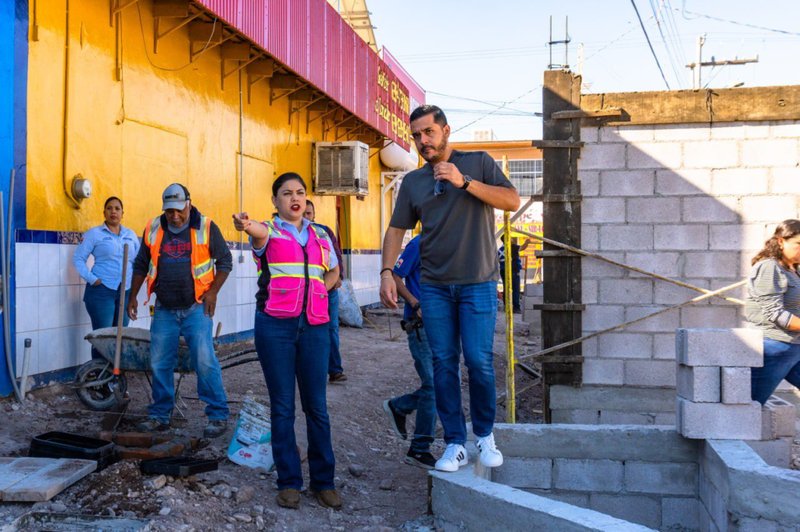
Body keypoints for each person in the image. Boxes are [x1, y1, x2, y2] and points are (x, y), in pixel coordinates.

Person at [379, 105, 520, 472]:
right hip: (435, 288)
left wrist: (465, 182)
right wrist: (386, 272)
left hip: (478, 283)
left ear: (445, 130)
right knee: (443, 364)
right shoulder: (414, 182)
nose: (423, 140)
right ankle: (455, 443)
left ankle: (484, 435)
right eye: (416, 135)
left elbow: (511, 200)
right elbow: (396, 229)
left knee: (478, 361)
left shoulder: (478, 162)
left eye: (429, 132)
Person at [232, 172, 342, 511]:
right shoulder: (269, 231)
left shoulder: (321, 234)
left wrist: (321, 289)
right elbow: (254, 231)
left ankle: (323, 482)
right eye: (286, 193)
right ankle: (289, 482)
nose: (294, 198)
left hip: (315, 327)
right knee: (282, 407)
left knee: (317, 407)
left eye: (299, 192)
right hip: (275, 328)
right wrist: (244, 224)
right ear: (275, 201)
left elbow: (334, 271)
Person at [127, 183, 231, 439]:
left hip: (196, 306)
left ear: (188, 203)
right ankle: (160, 415)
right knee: (159, 362)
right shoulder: (154, 227)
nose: (174, 216)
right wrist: (132, 296)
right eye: (169, 211)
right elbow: (141, 264)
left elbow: (225, 261)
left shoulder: (206, 226)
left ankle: (217, 415)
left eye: (179, 210)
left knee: (204, 361)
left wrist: (213, 292)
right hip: (164, 308)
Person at [382, 235, 437, 469]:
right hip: (420, 325)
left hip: (442, 327)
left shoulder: (450, 241)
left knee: (442, 385)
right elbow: (396, 276)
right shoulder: (419, 243)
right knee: (433, 385)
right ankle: (419, 449)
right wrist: (415, 304)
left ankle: (399, 406)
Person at [73, 197, 139, 358]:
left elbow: (139, 262)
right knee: (102, 337)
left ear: (122, 213)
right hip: (101, 291)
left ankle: (115, 371)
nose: (113, 211)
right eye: (109, 208)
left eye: (117, 208)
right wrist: (92, 279)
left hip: (125, 291)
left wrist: (134, 291)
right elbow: (78, 258)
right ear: (104, 213)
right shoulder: (94, 234)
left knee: (120, 335)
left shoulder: (130, 235)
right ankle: (98, 371)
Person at [745, 219, 800, 404]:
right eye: (799, 244)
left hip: (794, 347)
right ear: (781, 241)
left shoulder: (793, 270)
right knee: (749, 405)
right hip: (774, 347)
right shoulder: (769, 267)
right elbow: (776, 313)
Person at [304, 200, 347, 383]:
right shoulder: (289, 233)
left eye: (309, 213)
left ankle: (335, 370)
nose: (306, 217)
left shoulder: (324, 232)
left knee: (331, 329)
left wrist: (338, 277)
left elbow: (336, 255)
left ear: (314, 214)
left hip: (327, 290)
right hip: (302, 293)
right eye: (303, 213)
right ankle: (310, 371)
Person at [498, 240, 524, 313]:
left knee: (506, 288)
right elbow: (523, 248)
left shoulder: (500, 250)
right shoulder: (512, 247)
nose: (512, 240)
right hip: (513, 270)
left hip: (503, 270)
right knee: (515, 289)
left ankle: (507, 307)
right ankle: (516, 308)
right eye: (511, 238)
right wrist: (527, 242)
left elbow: (498, 260)